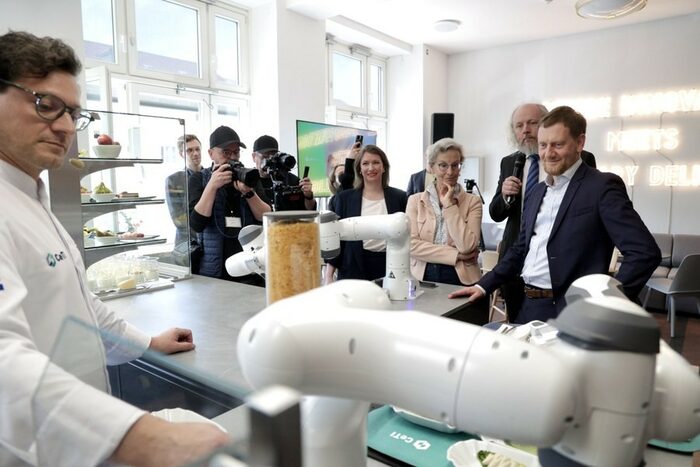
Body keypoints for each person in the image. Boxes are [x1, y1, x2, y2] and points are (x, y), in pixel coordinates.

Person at [0, 31, 229, 466]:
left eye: (73, 113)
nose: (66, 126)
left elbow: (83, 311)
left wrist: (147, 343)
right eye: (44, 104)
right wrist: (143, 436)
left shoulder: (32, 198)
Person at [450, 106, 660, 324]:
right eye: (543, 145)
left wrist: (607, 304)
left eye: (558, 145)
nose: (548, 153)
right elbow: (520, 249)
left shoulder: (602, 186)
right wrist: (483, 285)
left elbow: (644, 253)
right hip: (527, 306)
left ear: (580, 143)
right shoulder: (537, 191)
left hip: (574, 310)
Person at [489, 103, 597, 322]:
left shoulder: (581, 158)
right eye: (519, 125)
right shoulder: (510, 162)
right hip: (515, 258)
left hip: (557, 266)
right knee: (517, 326)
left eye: (532, 123)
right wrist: (505, 195)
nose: (525, 130)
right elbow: (496, 213)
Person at [189, 126, 270, 284]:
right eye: (226, 152)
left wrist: (249, 192)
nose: (233, 157)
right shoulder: (199, 179)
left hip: (250, 269)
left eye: (236, 152)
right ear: (211, 154)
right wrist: (212, 186)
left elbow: (266, 217)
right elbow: (196, 224)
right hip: (214, 270)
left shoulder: (248, 176)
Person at [325, 145, 408, 283]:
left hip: (391, 267)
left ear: (384, 167)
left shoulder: (400, 197)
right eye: (365, 163)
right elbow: (336, 239)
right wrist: (328, 276)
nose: (371, 168)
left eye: (376, 162)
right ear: (359, 169)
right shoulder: (344, 199)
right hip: (353, 268)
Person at [406, 138, 482, 286]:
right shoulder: (415, 201)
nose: (450, 172)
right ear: (431, 167)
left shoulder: (473, 202)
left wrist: (449, 206)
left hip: (461, 277)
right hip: (422, 276)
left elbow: (467, 246)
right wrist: (456, 255)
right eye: (443, 166)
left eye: (455, 165)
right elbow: (411, 245)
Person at [165, 134, 203, 271]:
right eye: (190, 150)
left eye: (198, 149)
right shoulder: (174, 180)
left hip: (211, 245)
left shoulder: (211, 176)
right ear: (182, 154)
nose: (195, 153)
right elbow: (179, 220)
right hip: (187, 248)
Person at [251, 134, 316, 211]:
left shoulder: (291, 180)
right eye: (265, 157)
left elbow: (309, 210)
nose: (270, 160)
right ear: (254, 157)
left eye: (273, 156)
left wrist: (308, 196)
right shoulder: (249, 182)